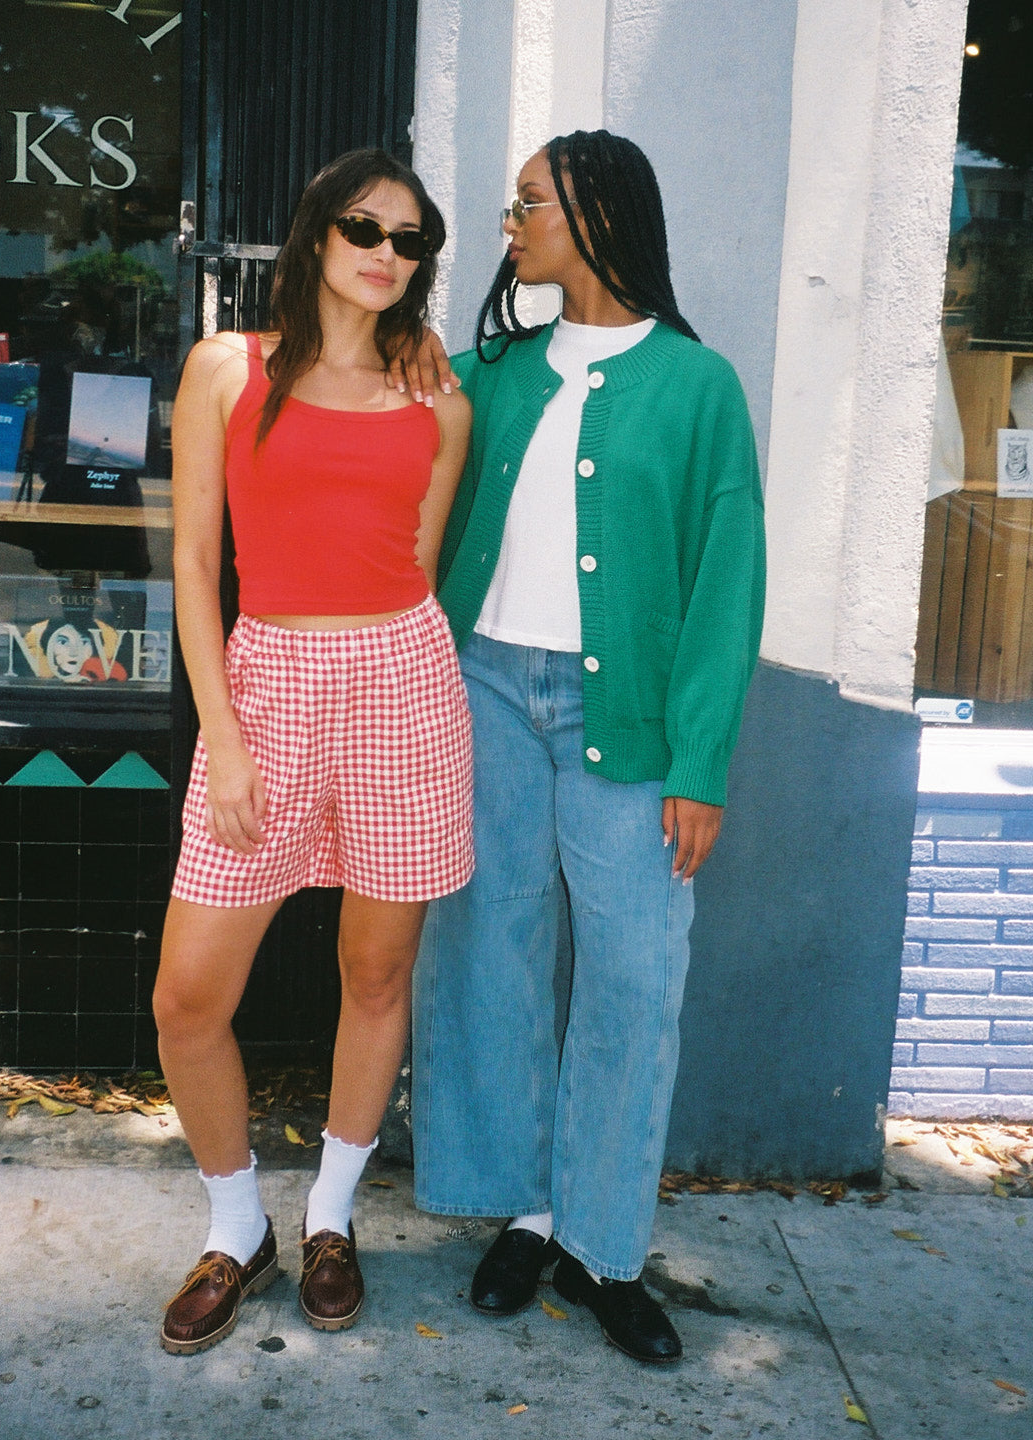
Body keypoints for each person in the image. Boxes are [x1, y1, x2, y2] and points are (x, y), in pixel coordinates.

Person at [410, 129, 765, 1364]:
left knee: (634, 975)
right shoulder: (491, 370)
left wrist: (702, 766)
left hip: (629, 721)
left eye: (530, 205)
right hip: (484, 691)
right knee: (489, 951)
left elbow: (727, 584)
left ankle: (604, 1245)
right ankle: (526, 1212)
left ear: (599, 215)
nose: (510, 225)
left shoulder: (698, 385)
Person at [152, 148, 473, 1355]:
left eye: (411, 240)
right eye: (365, 228)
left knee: (376, 975)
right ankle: (237, 1227)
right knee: (188, 995)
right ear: (317, 233)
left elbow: (416, 568)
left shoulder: (439, 400)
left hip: (403, 685)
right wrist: (224, 736)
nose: (388, 253)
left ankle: (331, 1216)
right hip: (266, 686)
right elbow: (195, 563)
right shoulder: (226, 369)